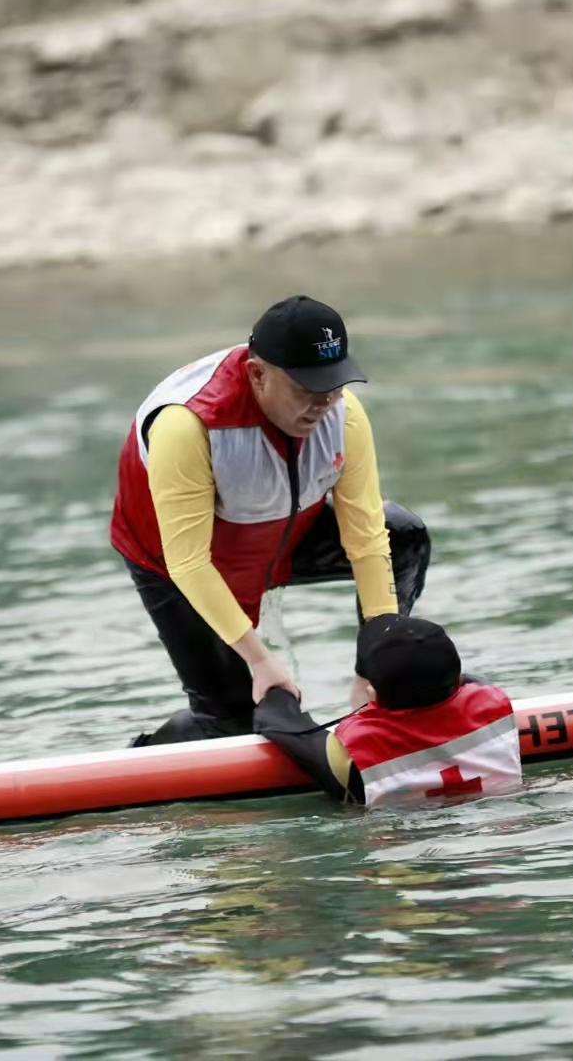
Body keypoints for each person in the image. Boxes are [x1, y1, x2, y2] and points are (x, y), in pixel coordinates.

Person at [111, 294, 431, 746]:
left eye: (335, 384)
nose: (326, 402)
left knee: (405, 536)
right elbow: (188, 563)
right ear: (257, 374)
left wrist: (376, 664)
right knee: (231, 723)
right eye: (307, 389)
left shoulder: (345, 415)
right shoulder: (185, 426)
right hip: (176, 562)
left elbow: (366, 540)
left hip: (282, 533)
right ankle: (137, 767)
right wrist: (260, 661)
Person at [253, 614, 523, 806]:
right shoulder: (495, 703)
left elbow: (278, 723)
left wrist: (274, 687)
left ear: (372, 694)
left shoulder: (349, 756)